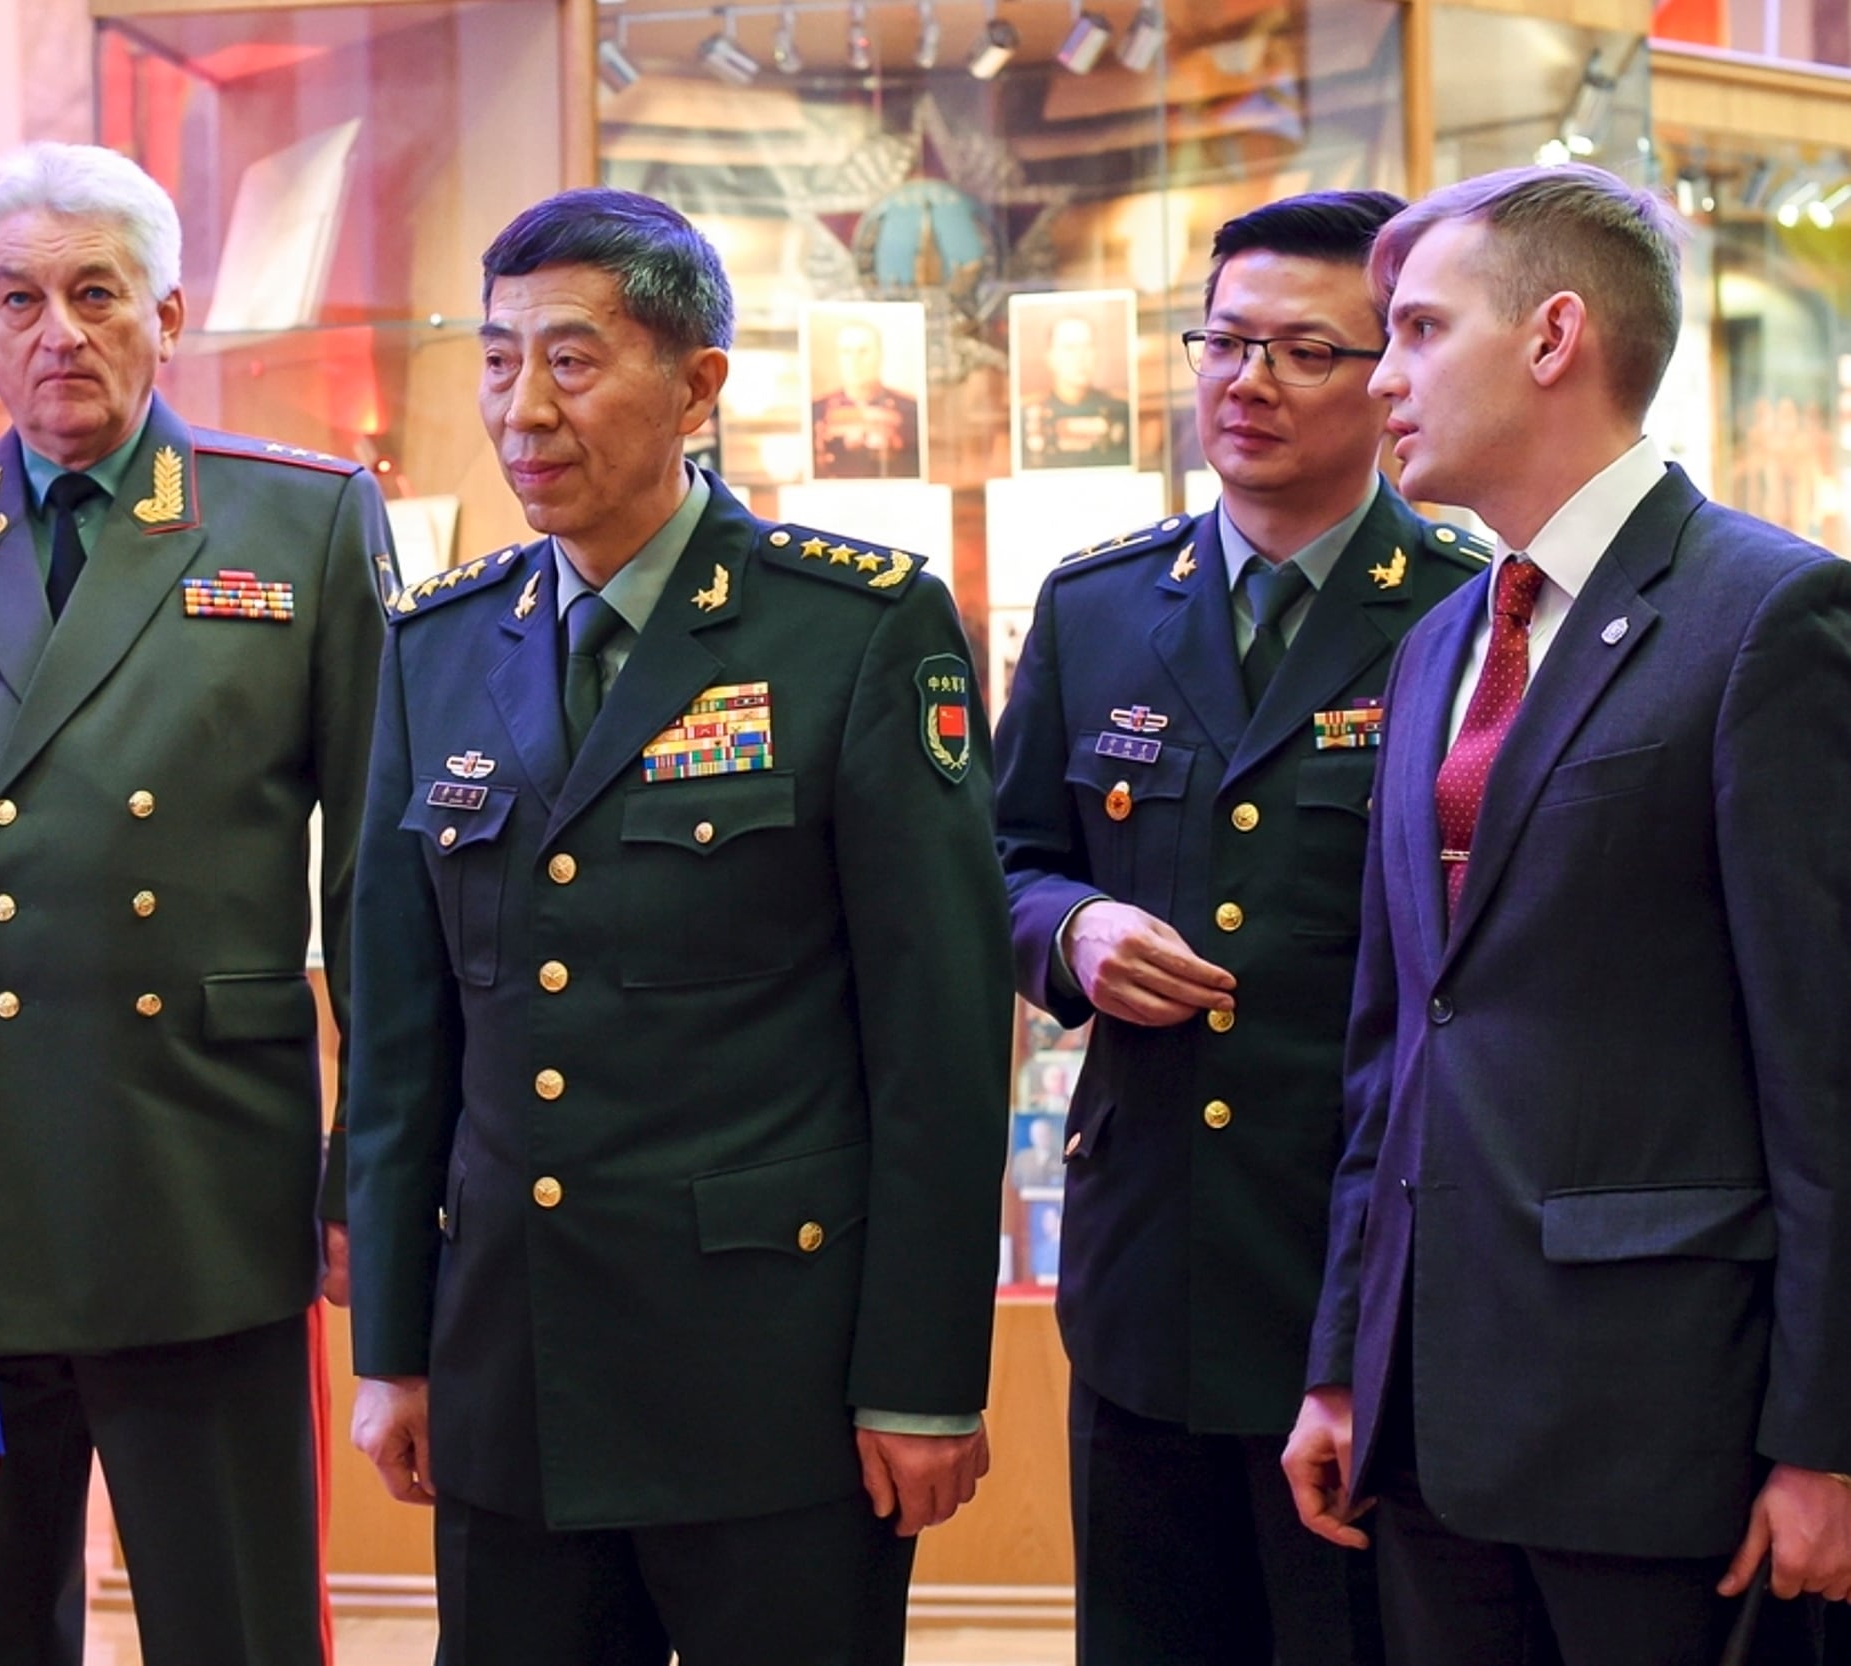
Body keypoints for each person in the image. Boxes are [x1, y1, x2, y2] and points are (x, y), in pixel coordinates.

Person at [344, 186, 1012, 1666]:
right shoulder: (439, 646)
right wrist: (393, 1341)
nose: (524, 408)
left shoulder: (851, 631)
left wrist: (922, 1377)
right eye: (500, 358)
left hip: (767, 1380)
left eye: (572, 361)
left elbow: (941, 1041)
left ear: (697, 385)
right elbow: (402, 1046)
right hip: (513, 1373)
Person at [0, 141, 390, 1666]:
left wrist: (362, 1180)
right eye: (19, 298)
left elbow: (378, 892)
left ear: (170, 313)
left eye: (94, 292)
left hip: (202, 1184)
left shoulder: (302, 522)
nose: (56, 329)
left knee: (241, 1628)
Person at [1282, 162, 1851, 1665]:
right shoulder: (1434, 649)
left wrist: (1828, 1437)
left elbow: (1829, 1067)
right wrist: (1344, 1358)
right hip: (1431, 1419)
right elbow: (1393, 1043)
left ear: (1551, 338)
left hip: (1668, 1428)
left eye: (1413, 331)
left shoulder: (1769, 617)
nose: (1379, 379)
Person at [994, 190, 1482, 1666]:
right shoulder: (1102, 607)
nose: (1245, 381)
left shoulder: (1467, 614)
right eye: (1223, 340)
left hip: (1368, 1265)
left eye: (1304, 352)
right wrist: (1071, 929)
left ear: (1392, 367)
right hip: (1151, 1260)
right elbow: (1003, 858)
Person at [810, 316, 923, 478]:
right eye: (846, 352)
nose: (854, 361)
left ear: (880, 355)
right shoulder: (815, 410)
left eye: (863, 351)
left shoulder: (912, 410)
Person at [1020, 312, 1133, 469]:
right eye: (1069, 348)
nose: (1080, 357)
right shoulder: (1026, 413)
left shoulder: (1121, 409)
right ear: (1050, 357)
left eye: (1087, 347)